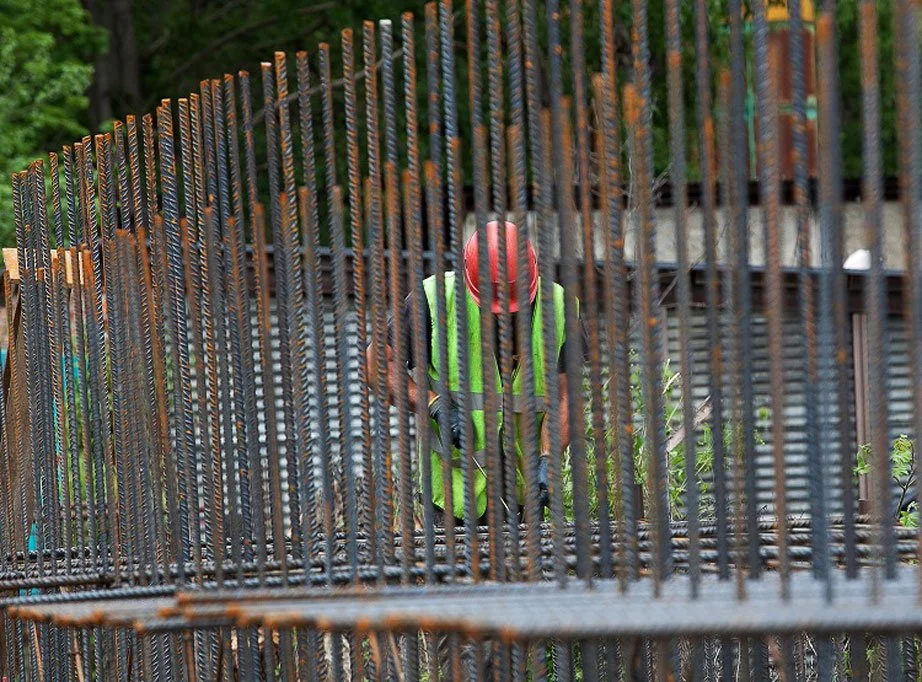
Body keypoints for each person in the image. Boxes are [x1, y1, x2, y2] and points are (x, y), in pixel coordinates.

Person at [366, 220, 588, 528]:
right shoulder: (433, 300)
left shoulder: (560, 308)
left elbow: (566, 397)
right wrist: (434, 404)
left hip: (521, 493)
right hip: (453, 496)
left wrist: (548, 461)